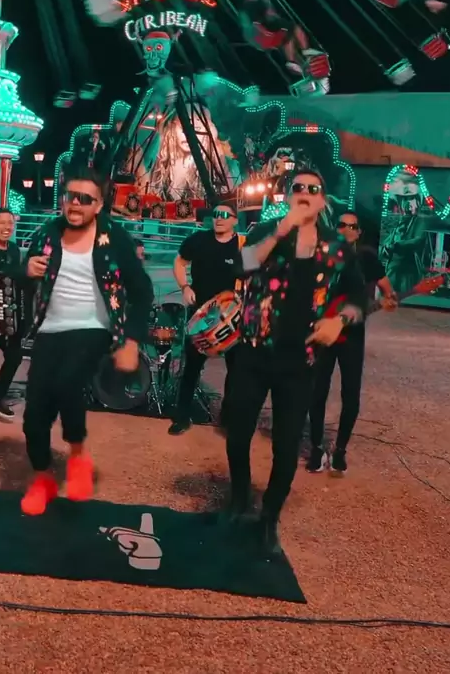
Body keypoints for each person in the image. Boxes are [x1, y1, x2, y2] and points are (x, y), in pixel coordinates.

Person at [226, 171, 367, 555]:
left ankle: (269, 516)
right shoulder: (267, 231)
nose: (304, 193)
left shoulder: (337, 247)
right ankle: (239, 498)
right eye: (297, 188)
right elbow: (241, 266)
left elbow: (357, 295)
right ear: (288, 196)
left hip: (301, 360)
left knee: (287, 444)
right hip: (254, 352)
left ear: (323, 200)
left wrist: (340, 319)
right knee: (237, 431)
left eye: (312, 189)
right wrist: (280, 231)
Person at [20, 165, 153, 516]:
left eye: (85, 198)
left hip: (94, 326)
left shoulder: (115, 239)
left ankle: (77, 455)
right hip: (49, 329)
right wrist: (27, 270)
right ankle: (43, 479)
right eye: (70, 196)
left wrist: (131, 341)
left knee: (68, 383)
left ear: (99, 205)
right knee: (34, 414)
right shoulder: (46, 233)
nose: (75, 204)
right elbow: (25, 275)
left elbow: (142, 291)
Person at [308, 211, 397, 475]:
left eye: (352, 226)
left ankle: (340, 450)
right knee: (317, 392)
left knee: (351, 395)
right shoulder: (322, 256)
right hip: (322, 334)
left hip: (352, 336)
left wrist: (388, 300)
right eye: (341, 225)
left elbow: (387, 290)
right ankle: (316, 448)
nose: (346, 229)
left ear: (359, 232)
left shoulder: (366, 258)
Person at [169, 201, 244, 435]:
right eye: (216, 214)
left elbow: (254, 275)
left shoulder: (244, 245)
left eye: (225, 215)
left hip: (231, 318)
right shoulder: (198, 240)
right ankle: (182, 417)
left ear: (235, 221)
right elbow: (179, 262)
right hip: (201, 314)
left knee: (236, 370)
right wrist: (184, 287)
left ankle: (228, 417)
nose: (219, 218)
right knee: (191, 367)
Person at [0, 208, 25, 422]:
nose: (7, 227)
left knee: (15, 354)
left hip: (5, 315)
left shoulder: (14, 250)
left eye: (10, 223)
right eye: (2, 223)